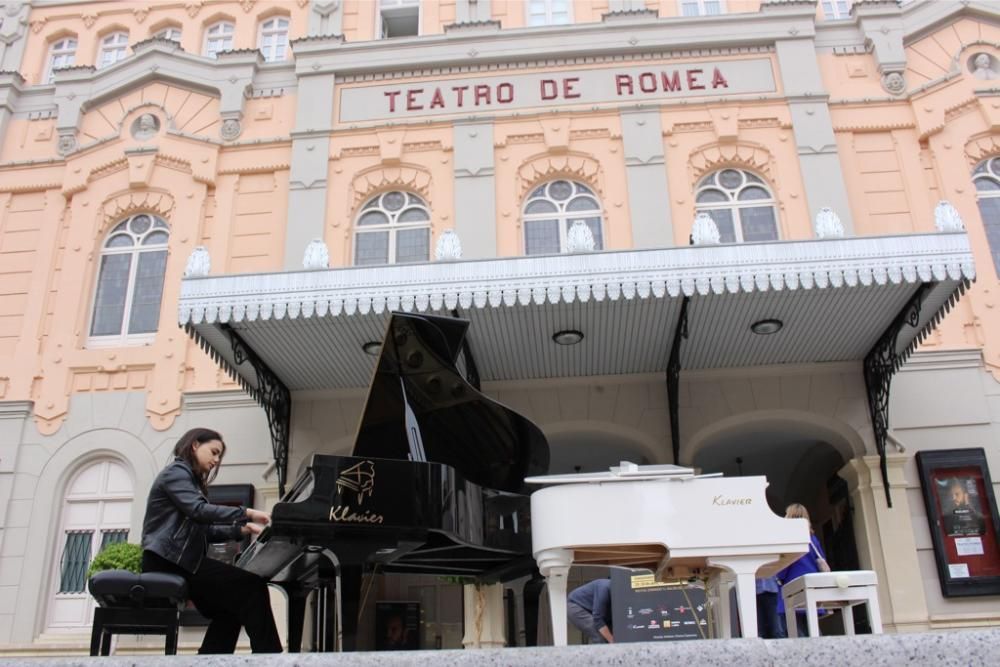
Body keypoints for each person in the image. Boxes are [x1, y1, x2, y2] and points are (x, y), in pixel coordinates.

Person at [141, 427, 282, 654]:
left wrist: (241, 530)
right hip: (169, 561)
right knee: (252, 586)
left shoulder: (187, 479)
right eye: (214, 452)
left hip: (179, 561)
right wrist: (247, 513)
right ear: (195, 445)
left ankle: (209, 660)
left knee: (231, 607)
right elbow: (199, 511)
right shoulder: (177, 472)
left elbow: (203, 530)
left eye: (219, 456)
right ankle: (271, 658)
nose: (216, 460)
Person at [776, 503, 829, 638]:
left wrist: (778, 577)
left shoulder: (790, 539)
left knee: (796, 632)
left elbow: (784, 565)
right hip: (811, 587)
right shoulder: (812, 539)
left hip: (793, 588)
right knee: (813, 629)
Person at [567, 578, 613, 644]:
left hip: (591, 609)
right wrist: (612, 640)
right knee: (600, 637)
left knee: (609, 634)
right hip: (576, 606)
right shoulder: (604, 588)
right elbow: (598, 618)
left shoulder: (616, 593)